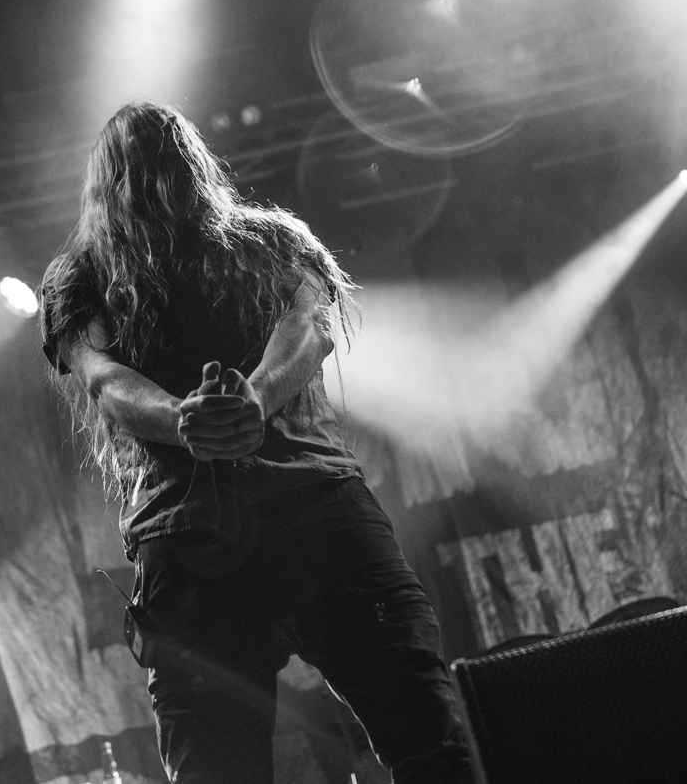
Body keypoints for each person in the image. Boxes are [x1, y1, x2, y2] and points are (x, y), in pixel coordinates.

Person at [38, 101, 473, 784]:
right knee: (427, 739)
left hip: (214, 541)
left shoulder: (253, 242)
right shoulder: (91, 274)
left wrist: (228, 406)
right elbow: (105, 377)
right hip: (296, 518)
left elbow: (304, 327)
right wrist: (218, 410)